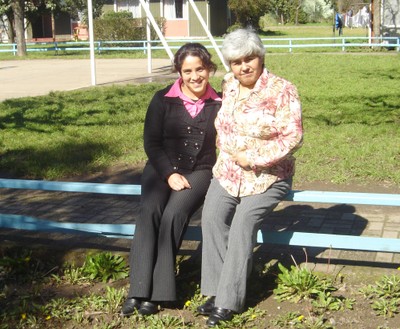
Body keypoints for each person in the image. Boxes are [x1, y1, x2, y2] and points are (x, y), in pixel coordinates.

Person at [196, 28, 303, 327]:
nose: (243, 67)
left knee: (243, 221)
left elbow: (293, 136)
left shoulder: (283, 89)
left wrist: (255, 158)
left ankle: (229, 300)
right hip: (229, 171)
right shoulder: (228, 84)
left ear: (261, 57)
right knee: (213, 217)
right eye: (236, 61)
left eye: (249, 59)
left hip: (269, 175)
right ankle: (216, 290)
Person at [121, 43, 221, 317]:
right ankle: (138, 289)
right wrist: (168, 173)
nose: (194, 76)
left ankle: (159, 292)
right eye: (187, 71)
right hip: (161, 167)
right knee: (149, 211)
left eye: (200, 69)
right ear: (179, 72)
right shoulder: (162, 99)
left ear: (209, 68)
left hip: (199, 170)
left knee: (173, 215)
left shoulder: (221, 102)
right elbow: (151, 143)